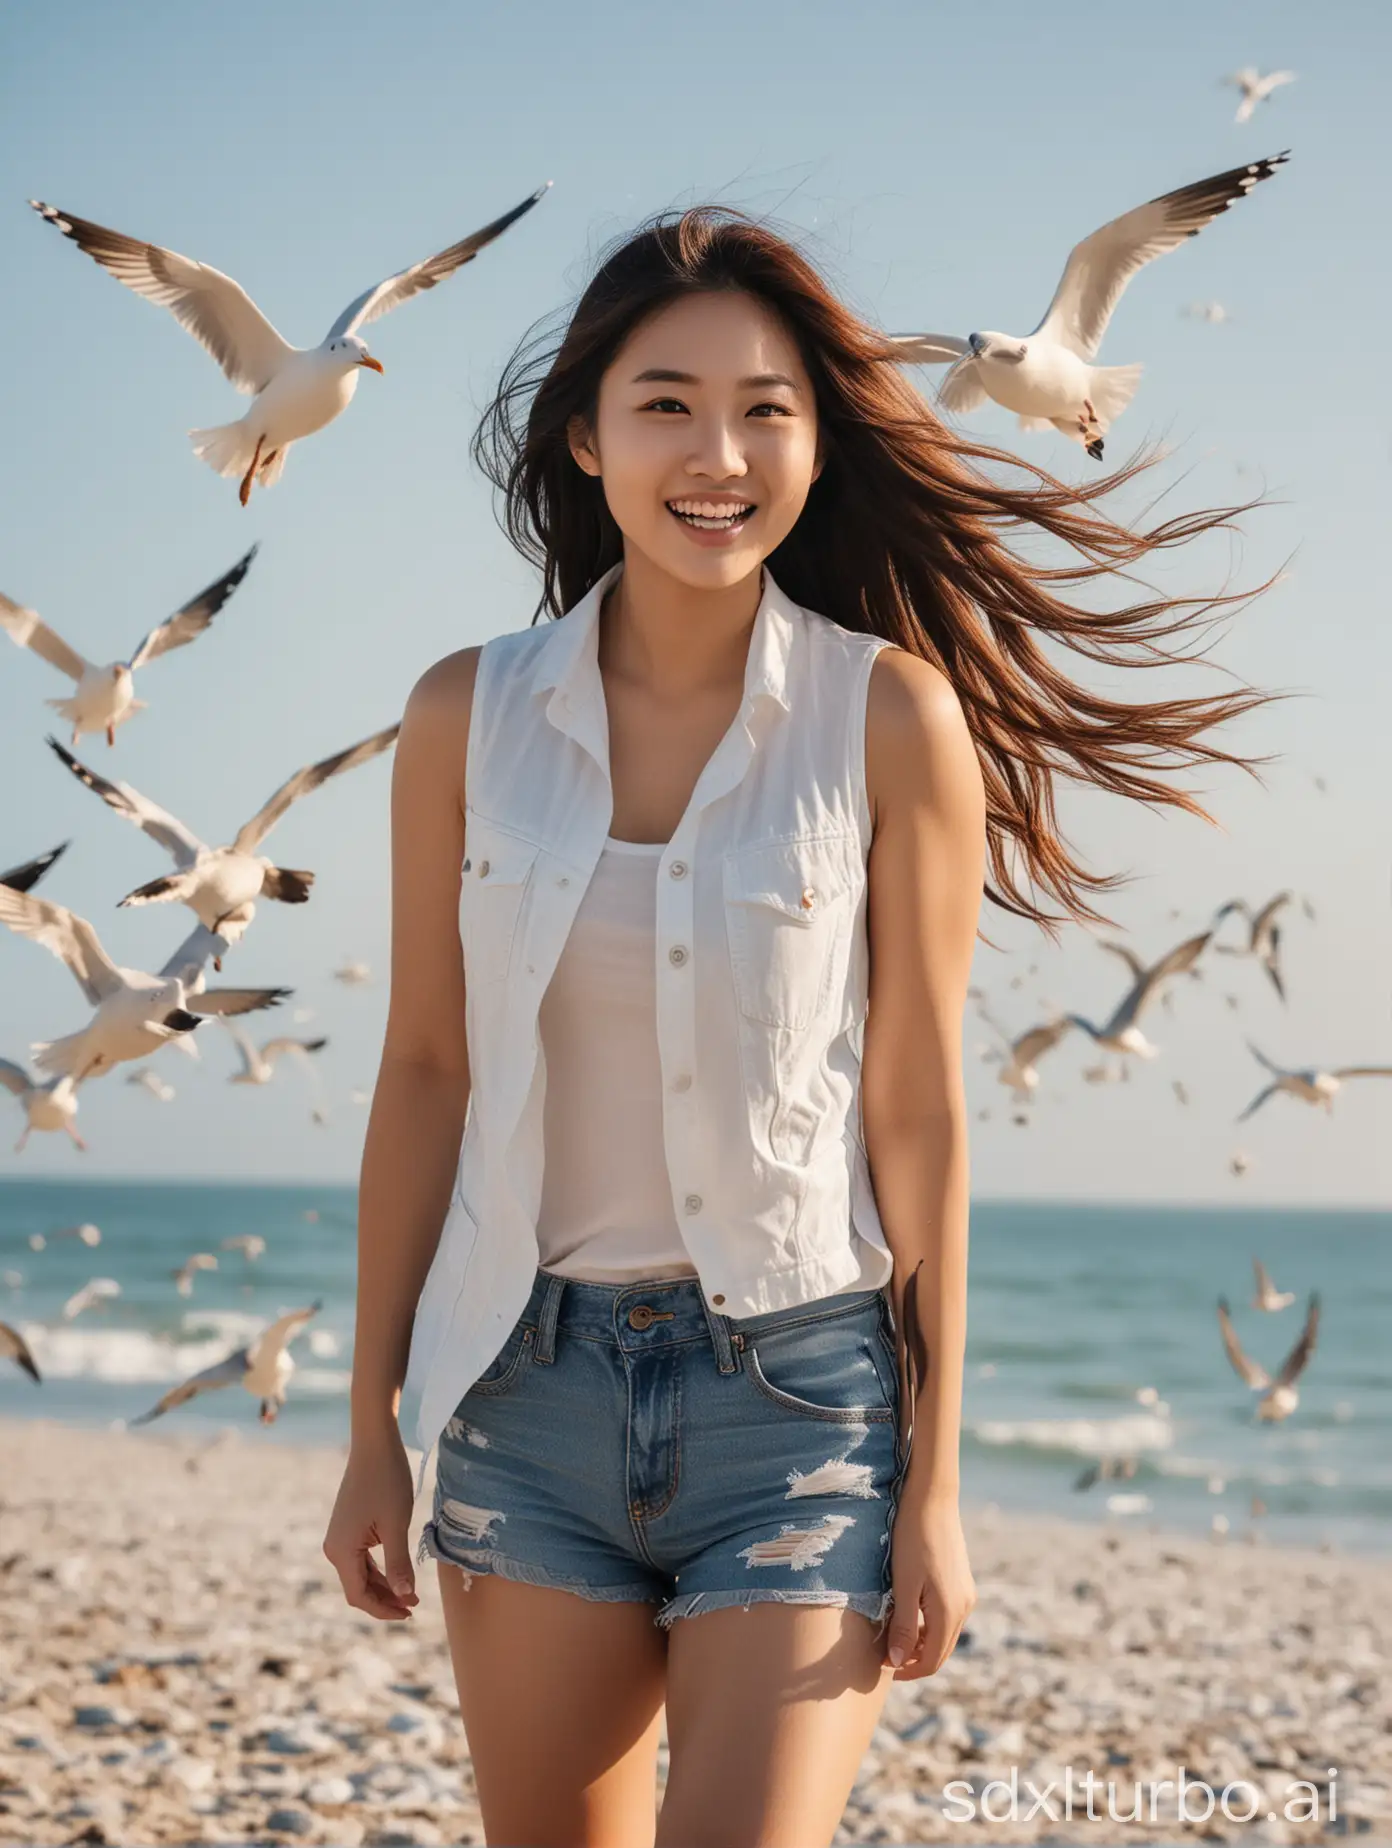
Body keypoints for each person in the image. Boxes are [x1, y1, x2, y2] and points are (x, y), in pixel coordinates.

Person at [324, 206, 1270, 1847]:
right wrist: (363, 1438)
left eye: (768, 408)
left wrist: (940, 1486)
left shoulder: (889, 719)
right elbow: (423, 1071)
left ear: (820, 447)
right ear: (588, 439)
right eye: (668, 403)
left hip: (803, 1406)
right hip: (518, 1396)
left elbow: (918, 1111)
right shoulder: (461, 719)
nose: (720, 451)